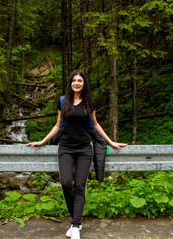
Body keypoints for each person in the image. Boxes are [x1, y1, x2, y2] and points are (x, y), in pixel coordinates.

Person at [26, 70, 127, 239]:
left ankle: (75, 226)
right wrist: (42, 141)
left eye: (80, 80)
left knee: (80, 186)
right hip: (65, 148)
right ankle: (77, 220)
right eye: (74, 80)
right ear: (70, 83)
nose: (77, 83)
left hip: (84, 149)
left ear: (84, 83)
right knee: (65, 183)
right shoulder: (63, 101)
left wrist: (111, 141)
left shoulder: (89, 102)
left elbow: (95, 124)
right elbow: (58, 125)